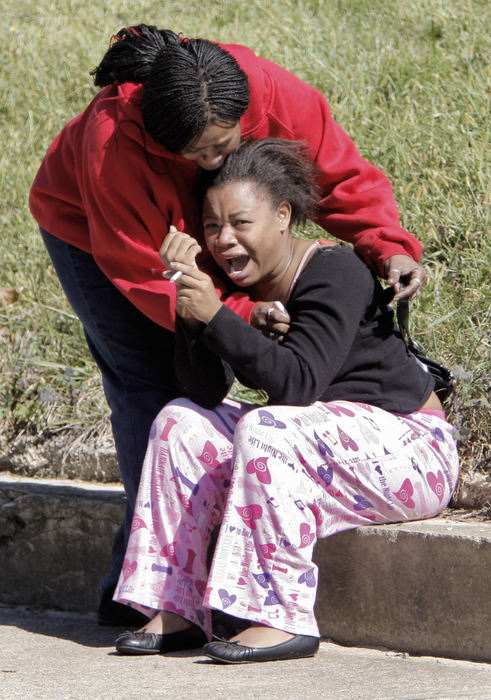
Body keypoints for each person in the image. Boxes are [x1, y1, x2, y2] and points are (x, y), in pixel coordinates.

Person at [29, 24, 428, 625]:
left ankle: (207, 576)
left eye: (225, 147)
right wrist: (236, 315)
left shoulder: (270, 91)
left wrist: (386, 243)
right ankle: (149, 591)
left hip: (220, 223)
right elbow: (147, 276)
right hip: (94, 234)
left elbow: (339, 175)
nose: (215, 163)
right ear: (160, 141)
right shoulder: (112, 147)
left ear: (247, 111)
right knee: (152, 385)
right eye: (199, 156)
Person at [111, 139, 459, 664]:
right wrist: (191, 313)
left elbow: (298, 387)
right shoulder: (242, 291)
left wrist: (217, 317)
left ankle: (279, 615)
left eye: (240, 223)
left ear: (282, 216)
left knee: (270, 428)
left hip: (411, 450)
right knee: (180, 421)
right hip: (326, 443)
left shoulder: (334, 271)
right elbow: (205, 393)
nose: (224, 239)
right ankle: (177, 605)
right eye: (211, 227)